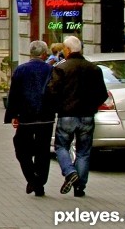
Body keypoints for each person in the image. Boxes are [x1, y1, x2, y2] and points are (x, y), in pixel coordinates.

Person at [45, 36, 108, 198]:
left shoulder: (61, 68)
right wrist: (92, 106)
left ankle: (70, 171)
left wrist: (58, 107)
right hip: (87, 115)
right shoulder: (94, 69)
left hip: (67, 115)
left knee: (61, 146)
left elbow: (52, 91)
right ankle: (79, 187)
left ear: (67, 50)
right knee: (83, 152)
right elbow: (102, 93)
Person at [4, 40, 55, 197]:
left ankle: (33, 179)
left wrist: (13, 115)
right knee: (43, 150)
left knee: (21, 149)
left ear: (30, 53)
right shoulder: (51, 70)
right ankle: (39, 180)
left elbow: (14, 94)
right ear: (44, 53)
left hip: (26, 117)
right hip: (46, 117)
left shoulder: (21, 70)